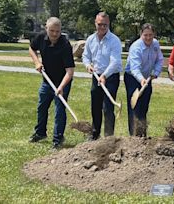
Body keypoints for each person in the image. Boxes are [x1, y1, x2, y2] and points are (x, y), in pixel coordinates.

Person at [28, 17, 75, 149]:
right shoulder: (41, 37)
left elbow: (70, 72)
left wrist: (60, 88)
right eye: (52, 31)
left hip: (62, 82)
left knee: (59, 110)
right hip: (47, 81)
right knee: (42, 107)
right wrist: (37, 62)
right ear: (46, 28)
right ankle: (40, 133)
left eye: (58, 31)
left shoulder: (65, 45)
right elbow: (31, 49)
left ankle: (58, 139)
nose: (55, 34)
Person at [82, 12, 122, 140]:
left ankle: (108, 137)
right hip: (96, 75)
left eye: (105, 25)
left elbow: (115, 62)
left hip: (110, 77)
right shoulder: (90, 39)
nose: (102, 27)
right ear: (95, 23)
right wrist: (88, 65)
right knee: (95, 105)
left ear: (108, 24)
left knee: (108, 107)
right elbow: (86, 56)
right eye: (100, 24)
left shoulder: (114, 41)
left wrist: (105, 75)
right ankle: (95, 133)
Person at [124, 23, 164, 136]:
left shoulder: (155, 44)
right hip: (132, 77)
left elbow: (160, 60)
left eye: (150, 35)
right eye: (145, 35)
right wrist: (141, 80)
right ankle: (134, 136)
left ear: (154, 34)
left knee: (144, 106)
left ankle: (142, 135)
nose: (148, 38)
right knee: (135, 107)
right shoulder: (136, 47)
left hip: (147, 77)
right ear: (141, 34)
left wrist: (155, 73)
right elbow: (134, 68)